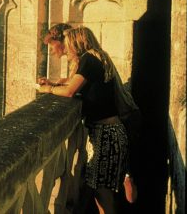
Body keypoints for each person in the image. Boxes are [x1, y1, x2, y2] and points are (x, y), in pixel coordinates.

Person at [38, 27, 128, 214]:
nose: (68, 49)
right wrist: (55, 83)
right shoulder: (96, 57)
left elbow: (70, 91)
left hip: (106, 134)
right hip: (110, 132)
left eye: (69, 44)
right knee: (103, 190)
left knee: (103, 193)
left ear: (77, 42)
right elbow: (74, 82)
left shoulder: (89, 59)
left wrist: (48, 90)